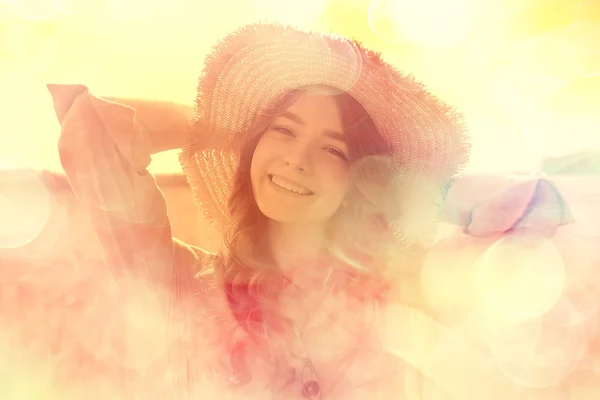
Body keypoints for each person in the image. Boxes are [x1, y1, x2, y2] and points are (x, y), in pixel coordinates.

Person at [48, 23, 471, 399]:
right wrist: (224, 131)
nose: (297, 159)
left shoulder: (395, 314)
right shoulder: (181, 284)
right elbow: (91, 136)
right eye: (283, 130)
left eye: (332, 148)